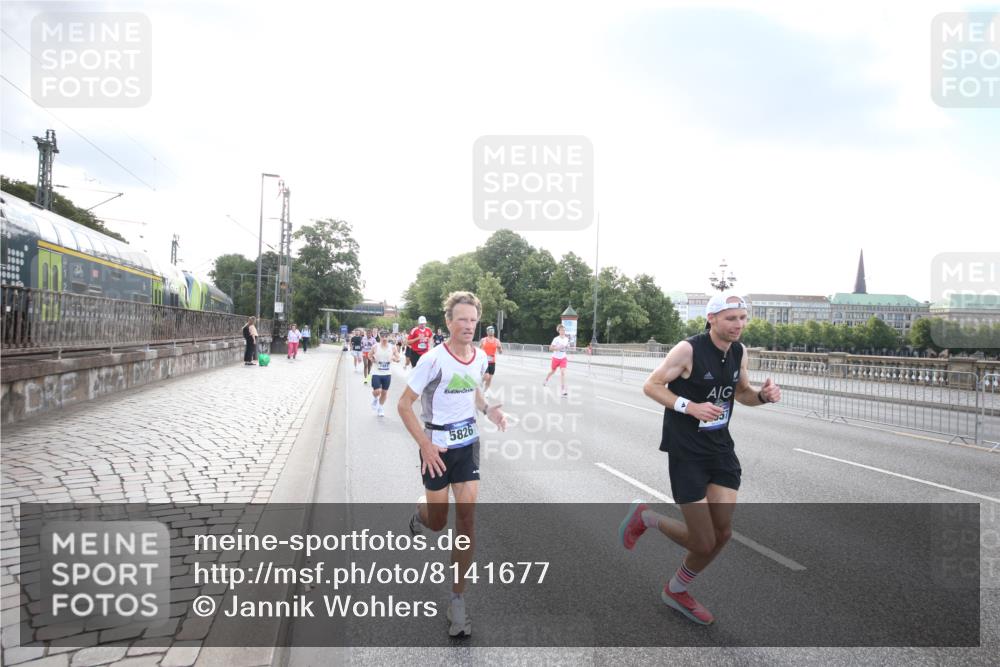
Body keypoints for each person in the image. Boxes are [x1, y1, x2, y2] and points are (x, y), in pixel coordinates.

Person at [619, 293, 781, 626]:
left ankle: (676, 589)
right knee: (703, 540)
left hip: (720, 450)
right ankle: (646, 518)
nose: (739, 325)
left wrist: (763, 397)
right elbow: (651, 385)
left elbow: (741, 393)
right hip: (687, 451)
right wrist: (688, 406)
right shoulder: (688, 350)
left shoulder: (739, 352)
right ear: (712, 319)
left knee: (722, 535)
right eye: (731, 318)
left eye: (742, 318)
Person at [397, 292, 507, 638]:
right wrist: (426, 445)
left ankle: (457, 600)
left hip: (467, 445)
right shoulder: (431, 360)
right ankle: (421, 512)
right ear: (448, 322)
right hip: (437, 449)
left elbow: (473, 388)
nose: (468, 326)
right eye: (462, 319)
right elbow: (404, 405)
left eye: (473, 320)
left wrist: (488, 409)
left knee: (467, 518)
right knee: (438, 522)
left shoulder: (477, 358)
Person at [370, 330, 401, 417]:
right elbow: (369, 355)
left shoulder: (392, 347)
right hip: (376, 372)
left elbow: (398, 357)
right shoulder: (375, 346)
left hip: (387, 373)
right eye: (382, 336)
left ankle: (380, 407)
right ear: (380, 337)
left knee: (384, 392)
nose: (384, 338)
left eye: (386, 336)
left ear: (388, 337)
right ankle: (375, 398)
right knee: (377, 390)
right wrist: (372, 359)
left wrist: (395, 359)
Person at [543, 324, 571, 396]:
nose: (563, 331)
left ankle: (563, 389)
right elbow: (550, 348)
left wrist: (567, 347)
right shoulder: (556, 339)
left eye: (564, 330)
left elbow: (567, 347)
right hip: (555, 358)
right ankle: (546, 379)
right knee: (552, 371)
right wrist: (558, 348)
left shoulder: (566, 339)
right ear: (559, 331)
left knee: (563, 372)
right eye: (562, 330)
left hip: (563, 358)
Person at [479, 325, 502, 392]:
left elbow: (500, 352)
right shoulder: (483, 340)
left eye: (492, 330)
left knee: (490, 379)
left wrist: (500, 348)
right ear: (487, 332)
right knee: (486, 376)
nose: (491, 331)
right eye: (490, 330)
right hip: (484, 361)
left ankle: (485, 391)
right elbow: (479, 350)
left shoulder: (497, 341)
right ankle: (479, 383)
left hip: (492, 361)